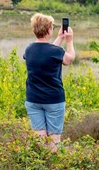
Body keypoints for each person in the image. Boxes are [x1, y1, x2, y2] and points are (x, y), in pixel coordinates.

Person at [23, 13, 75, 152]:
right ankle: (53, 169)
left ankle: (40, 167)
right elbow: (68, 60)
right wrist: (69, 41)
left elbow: (45, 51)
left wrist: (59, 38)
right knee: (54, 138)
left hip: (33, 99)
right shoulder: (55, 51)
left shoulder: (29, 49)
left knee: (39, 136)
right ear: (49, 30)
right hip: (53, 100)